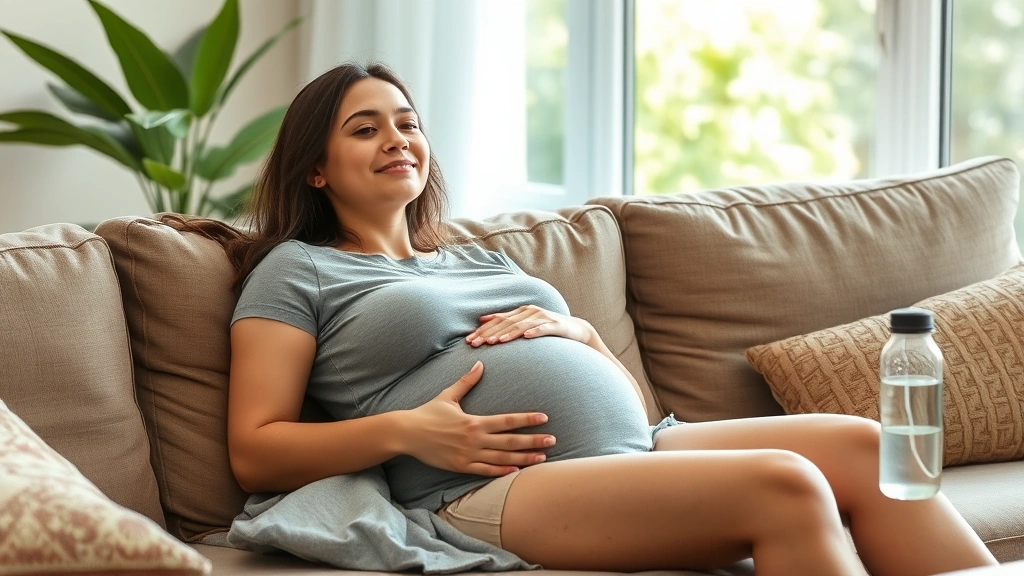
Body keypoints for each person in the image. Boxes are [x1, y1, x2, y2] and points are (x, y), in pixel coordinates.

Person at [169, 62, 998, 576]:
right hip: (480, 488)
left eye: (409, 121)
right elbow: (256, 449)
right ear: (316, 167)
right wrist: (409, 432)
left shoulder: (477, 257)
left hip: (630, 443)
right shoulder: (297, 269)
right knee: (783, 485)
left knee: (872, 446)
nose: (399, 137)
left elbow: (632, 414)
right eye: (365, 127)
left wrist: (588, 339)